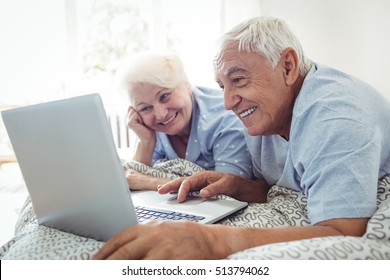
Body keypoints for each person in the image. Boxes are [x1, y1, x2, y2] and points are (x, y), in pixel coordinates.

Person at [93, 16, 390, 260]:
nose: (227, 102)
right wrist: (238, 186)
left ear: (288, 66)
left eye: (238, 80)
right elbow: (282, 184)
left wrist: (209, 241)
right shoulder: (264, 117)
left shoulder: (336, 117)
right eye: (222, 85)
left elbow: (343, 231)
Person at [117, 52, 253, 190]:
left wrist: (150, 182)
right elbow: (132, 180)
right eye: (145, 108)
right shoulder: (150, 128)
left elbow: (228, 190)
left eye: (164, 96)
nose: (160, 114)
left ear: (187, 84)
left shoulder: (224, 118)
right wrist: (145, 142)